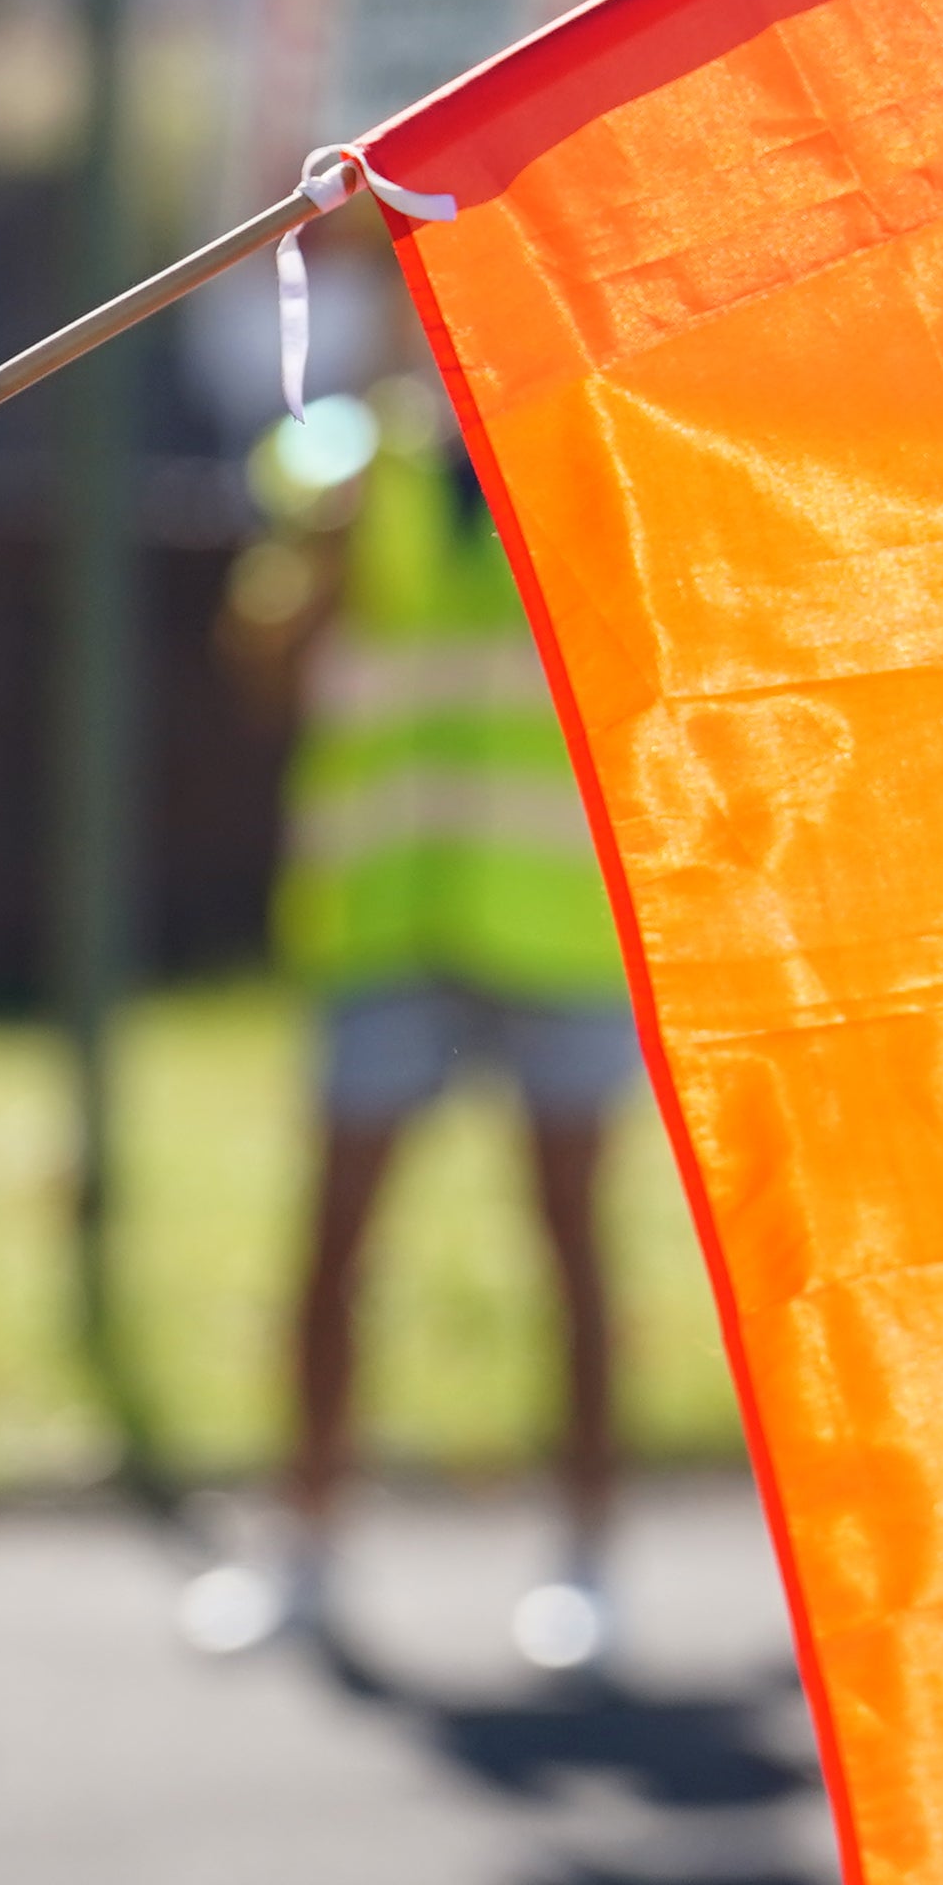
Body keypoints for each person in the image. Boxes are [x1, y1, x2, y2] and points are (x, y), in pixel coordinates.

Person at [187, 318, 639, 1679]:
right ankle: (308, 1543)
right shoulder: (332, 462)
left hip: (550, 918)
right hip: (386, 912)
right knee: (335, 1243)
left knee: (573, 1246)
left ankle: (586, 1556)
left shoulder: (583, 447)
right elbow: (261, 672)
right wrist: (317, 558)